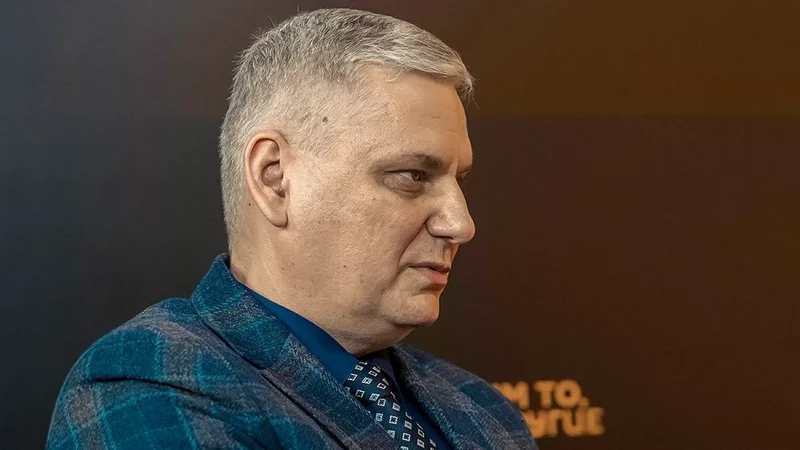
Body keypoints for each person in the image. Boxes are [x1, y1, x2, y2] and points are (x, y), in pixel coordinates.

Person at [47, 8, 537, 450]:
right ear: (274, 178)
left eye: (458, 180)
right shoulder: (149, 383)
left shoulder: (481, 407)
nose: (460, 224)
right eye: (411, 176)